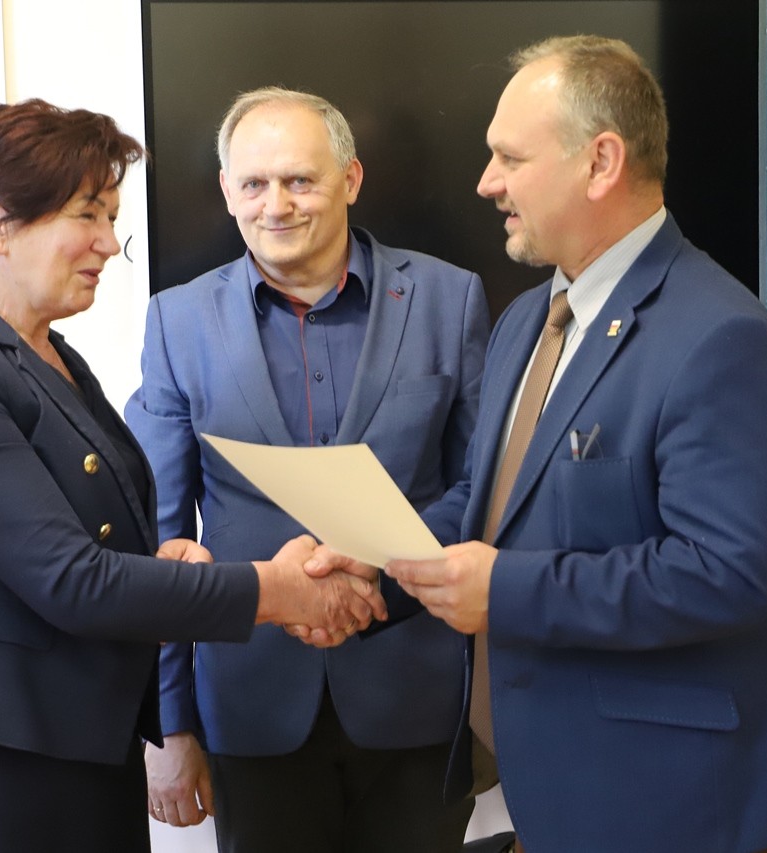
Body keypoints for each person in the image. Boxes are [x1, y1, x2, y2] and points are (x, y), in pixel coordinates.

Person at [309, 35, 767, 853]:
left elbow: (728, 574)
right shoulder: (526, 319)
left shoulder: (721, 337)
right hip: (555, 789)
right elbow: (493, 502)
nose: (486, 182)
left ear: (601, 162)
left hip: (679, 804)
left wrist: (505, 591)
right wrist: (380, 559)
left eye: (510, 158)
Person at [0, 99, 384, 853]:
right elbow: (71, 580)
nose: (110, 243)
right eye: (88, 215)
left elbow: (87, 546)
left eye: (111, 217)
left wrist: (162, 563)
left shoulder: (46, 354)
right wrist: (279, 590)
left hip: (76, 742)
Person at [123, 86, 489, 852]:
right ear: (227, 191)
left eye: (300, 180)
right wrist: (170, 723)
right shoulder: (176, 321)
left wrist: (387, 566)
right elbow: (157, 538)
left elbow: (482, 487)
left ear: (350, 179)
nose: (276, 205)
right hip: (249, 707)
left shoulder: (450, 299)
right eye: (254, 184)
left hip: (416, 696)